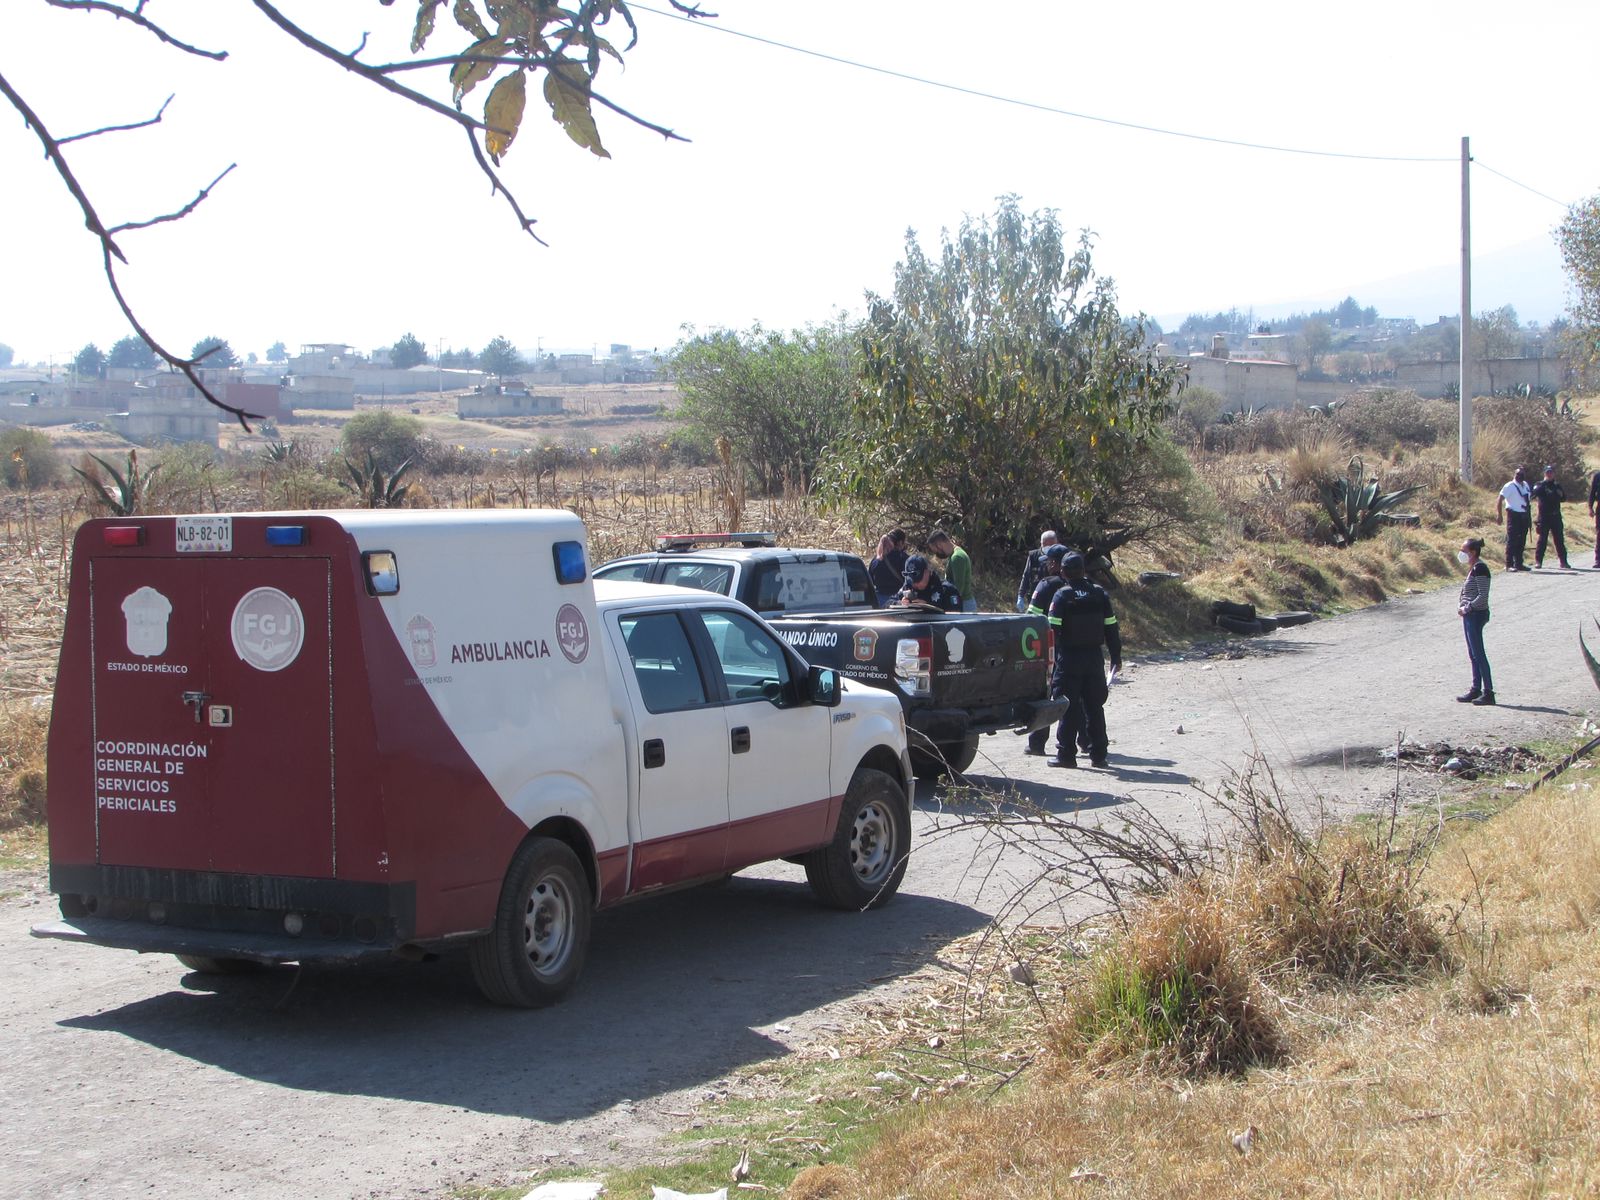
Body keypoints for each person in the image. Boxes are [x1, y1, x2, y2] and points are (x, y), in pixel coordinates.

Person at [1044, 551, 1122, 769]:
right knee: (1095, 707)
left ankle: (1066, 755)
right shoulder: (1099, 594)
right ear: (1083, 570)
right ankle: (1099, 755)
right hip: (1094, 658)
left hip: (1069, 659)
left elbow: (1052, 632)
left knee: (1067, 706)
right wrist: (1116, 656)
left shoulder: (1062, 596)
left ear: (1063, 572)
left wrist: (1051, 662)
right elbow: (1111, 628)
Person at [1024, 544, 1070, 755]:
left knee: (1044, 694)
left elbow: (1031, 619)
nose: (1047, 566)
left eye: (1049, 562)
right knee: (1073, 695)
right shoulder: (1078, 585)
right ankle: (1083, 742)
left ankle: (1037, 744)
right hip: (1072, 649)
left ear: (1055, 564)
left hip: (1047, 648)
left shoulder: (1045, 586)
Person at [1456, 537, 1494, 706]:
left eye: (1464, 551)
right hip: (1469, 614)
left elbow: (1482, 596)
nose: (1461, 554)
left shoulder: (1481, 569)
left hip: (1475, 615)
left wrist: (1468, 607)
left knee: (1479, 654)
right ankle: (1476, 688)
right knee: (1473, 654)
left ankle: (1488, 692)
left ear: (1472, 552)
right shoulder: (1473, 568)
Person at [1530, 465, 1571, 570]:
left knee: (1559, 540)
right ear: (1544, 473)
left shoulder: (1557, 485)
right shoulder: (1540, 485)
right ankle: (1538, 561)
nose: (1549, 474)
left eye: (1551, 472)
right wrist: (1544, 483)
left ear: (1554, 473)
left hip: (1556, 516)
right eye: (1547, 472)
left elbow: (1564, 498)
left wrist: (1559, 494)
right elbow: (1535, 493)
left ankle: (1563, 562)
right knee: (1542, 540)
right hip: (1544, 517)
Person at [928, 528, 976, 612]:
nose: (936, 554)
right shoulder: (955, 555)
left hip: (963, 605)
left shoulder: (957, 557)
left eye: (935, 551)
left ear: (939, 544)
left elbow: (958, 588)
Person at [1496, 466, 1532, 571]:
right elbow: (1500, 499)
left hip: (1524, 515)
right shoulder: (1509, 486)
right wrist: (1499, 514)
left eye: (1522, 474)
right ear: (1514, 475)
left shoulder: (1525, 485)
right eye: (1518, 474)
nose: (1520, 476)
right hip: (1514, 515)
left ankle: (1519, 563)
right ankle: (1509, 564)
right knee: (1512, 540)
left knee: (1521, 540)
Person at [1015, 530, 1059, 612]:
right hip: (1035, 596)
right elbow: (1026, 575)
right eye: (1047, 544)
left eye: (1053, 545)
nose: (1050, 547)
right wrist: (1020, 595)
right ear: (1042, 543)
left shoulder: (1059, 555)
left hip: (1053, 598)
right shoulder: (1033, 556)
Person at [867, 534, 901, 604]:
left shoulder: (875, 561)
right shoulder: (901, 557)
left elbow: (870, 581)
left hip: (879, 598)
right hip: (897, 598)